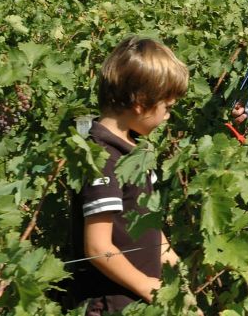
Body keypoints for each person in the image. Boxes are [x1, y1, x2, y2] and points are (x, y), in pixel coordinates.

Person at [69, 37, 188, 313]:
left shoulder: (134, 152)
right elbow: (98, 246)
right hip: (112, 305)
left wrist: (178, 276)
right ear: (140, 102)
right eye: (167, 108)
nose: (168, 116)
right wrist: (147, 286)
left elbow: (147, 226)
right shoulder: (103, 157)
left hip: (140, 302)